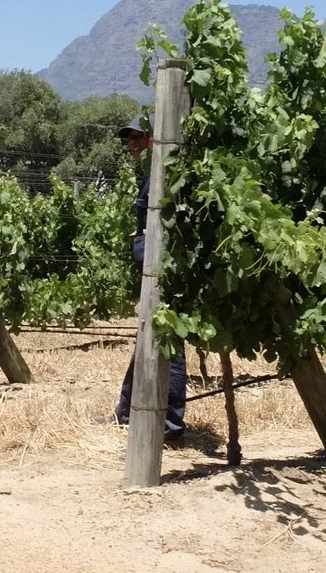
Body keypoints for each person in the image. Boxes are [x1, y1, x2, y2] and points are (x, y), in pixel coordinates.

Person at [113, 114, 187, 444]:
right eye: (130, 139)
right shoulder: (153, 174)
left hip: (167, 267)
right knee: (149, 333)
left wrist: (143, 244)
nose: (132, 144)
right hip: (154, 266)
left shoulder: (169, 173)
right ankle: (127, 411)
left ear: (155, 139)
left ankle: (170, 429)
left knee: (170, 343)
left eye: (138, 137)